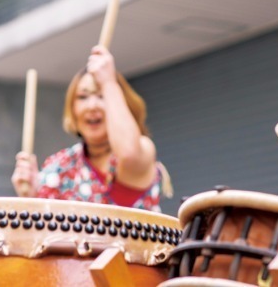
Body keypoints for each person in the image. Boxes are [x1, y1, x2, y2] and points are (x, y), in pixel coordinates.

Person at [11, 45, 173, 212]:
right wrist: (31, 198)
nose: (92, 106)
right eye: (83, 97)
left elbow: (128, 152)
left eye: (101, 95)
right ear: (72, 109)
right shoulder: (60, 166)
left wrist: (108, 82)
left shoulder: (142, 150)